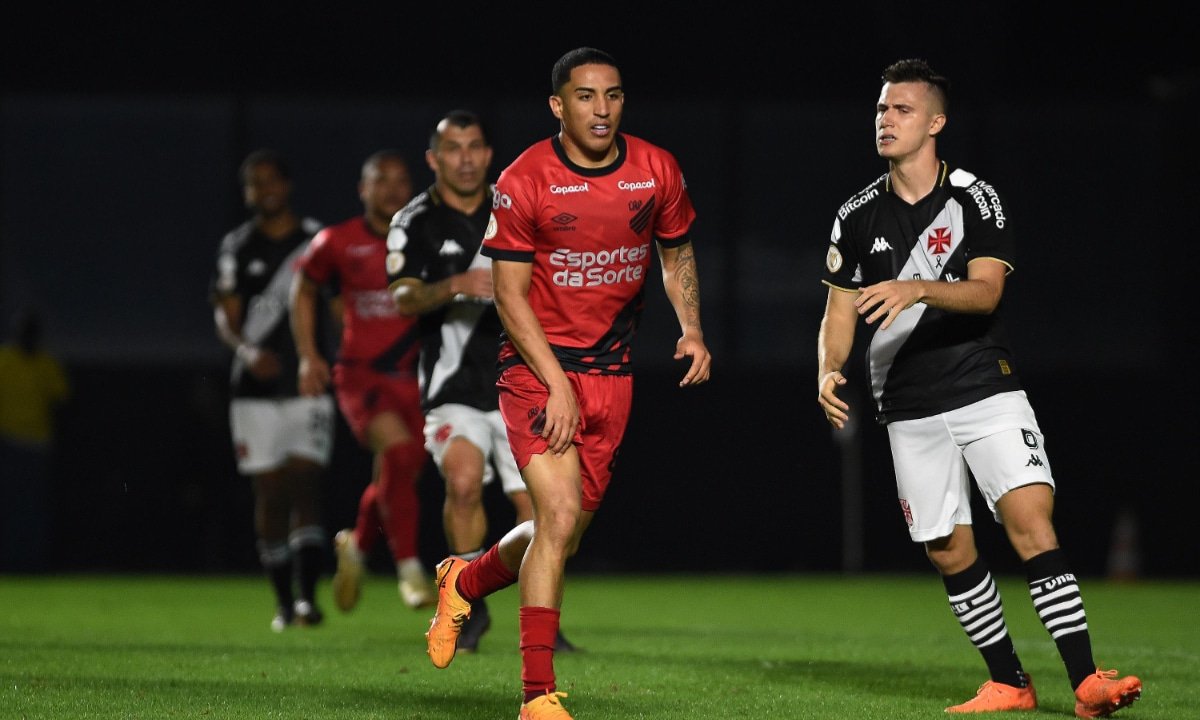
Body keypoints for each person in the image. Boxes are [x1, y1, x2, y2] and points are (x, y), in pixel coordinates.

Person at [816, 58, 1142, 718]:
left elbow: (988, 291)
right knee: (948, 549)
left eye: (901, 109)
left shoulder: (974, 198)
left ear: (935, 122)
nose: (886, 119)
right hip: (904, 403)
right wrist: (828, 366)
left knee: (1029, 522)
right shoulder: (855, 215)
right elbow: (838, 313)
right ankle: (1009, 682)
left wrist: (918, 286)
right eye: (881, 109)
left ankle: (1086, 682)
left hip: (982, 388)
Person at [422, 49, 711, 720]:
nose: (602, 109)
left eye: (612, 95)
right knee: (550, 518)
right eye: (585, 97)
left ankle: (462, 580)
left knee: (564, 534)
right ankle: (536, 696)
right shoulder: (525, 180)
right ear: (558, 105)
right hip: (535, 370)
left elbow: (678, 252)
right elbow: (508, 295)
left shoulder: (655, 169)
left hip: (612, 375)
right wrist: (553, 382)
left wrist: (691, 327)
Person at [386, 109, 576, 655]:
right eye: (453, 148)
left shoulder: (517, 205)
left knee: (540, 513)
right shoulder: (415, 220)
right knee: (464, 482)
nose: (464, 158)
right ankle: (468, 608)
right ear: (434, 158)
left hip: (521, 379)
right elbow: (402, 296)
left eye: (474, 147)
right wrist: (454, 285)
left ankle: (543, 621)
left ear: (489, 154)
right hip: (453, 386)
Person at [290, 149, 434, 612]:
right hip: (362, 375)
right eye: (381, 180)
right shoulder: (337, 241)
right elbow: (305, 288)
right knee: (398, 453)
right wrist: (309, 355)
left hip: (416, 377)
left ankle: (356, 544)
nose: (391, 189)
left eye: (399, 180)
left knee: (398, 473)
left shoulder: (425, 240)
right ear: (363, 189)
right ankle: (409, 568)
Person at [209, 149, 333, 631]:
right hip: (253, 391)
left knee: (305, 481)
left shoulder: (315, 241)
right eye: (253, 183)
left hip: (308, 384)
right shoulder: (237, 246)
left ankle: (307, 599)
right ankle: (283, 603)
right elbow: (226, 315)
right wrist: (245, 350)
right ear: (247, 193)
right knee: (270, 491)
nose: (264, 190)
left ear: (287, 184)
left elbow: (339, 306)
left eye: (270, 180)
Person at [0, 307, 71, 572]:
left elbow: (62, 401)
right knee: (9, 506)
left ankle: (33, 563)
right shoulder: (4, 361)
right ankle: (8, 562)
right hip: (7, 445)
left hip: (37, 446)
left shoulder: (45, 363)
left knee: (34, 508)